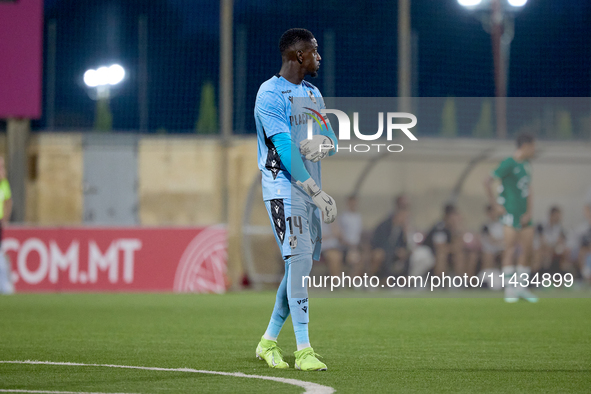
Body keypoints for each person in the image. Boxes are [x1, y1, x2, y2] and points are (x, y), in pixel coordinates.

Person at [254, 28, 338, 371]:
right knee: (300, 262)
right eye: (314, 51)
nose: (319, 56)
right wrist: (316, 192)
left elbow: (329, 135)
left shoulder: (312, 93)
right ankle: (303, 349)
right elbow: (285, 149)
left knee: (298, 267)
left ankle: (267, 342)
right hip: (283, 191)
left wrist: (327, 144)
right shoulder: (270, 94)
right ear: (298, 56)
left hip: (306, 195)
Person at [484, 132, 537, 303]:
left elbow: (528, 190)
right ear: (525, 146)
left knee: (527, 250)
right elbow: (487, 181)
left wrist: (529, 211)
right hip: (510, 213)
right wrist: (495, 205)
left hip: (524, 214)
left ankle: (521, 287)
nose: (534, 150)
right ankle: (510, 289)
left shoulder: (527, 165)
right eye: (532, 147)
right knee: (511, 249)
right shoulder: (509, 163)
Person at [370, 195, 410, 280]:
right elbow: (378, 244)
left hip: (396, 255)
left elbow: (406, 245)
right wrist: (395, 251)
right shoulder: (384, 226)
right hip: (385, 252)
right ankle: (370, 280)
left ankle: (407, 282)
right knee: (378, 255)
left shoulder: (402, 230)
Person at [423, 204, 464, 278]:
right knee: (441, 255)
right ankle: (439, 281)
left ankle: (460, 282)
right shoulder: (440, 227)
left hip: (446, 252)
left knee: (460, 254)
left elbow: (459, 245)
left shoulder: (453, 229)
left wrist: (456, 231)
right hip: (429, 253)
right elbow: (440, 247)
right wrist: (453, 248)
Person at [534, 206, 568, 275]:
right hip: (539, 248)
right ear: (551, 215)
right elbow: (542, 242)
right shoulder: (541, 225)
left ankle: (560, 275)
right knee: (543, 253)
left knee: (564, 252)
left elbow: (560, 241)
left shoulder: (559, 227)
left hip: (552, 248)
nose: (559, 218)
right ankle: (538, 275)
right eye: (557, 216)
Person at [0, 156, 13, 294]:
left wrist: (5, 218)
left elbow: (8, 201)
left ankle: (4, 286)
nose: (2, 170)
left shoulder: (3, 184)